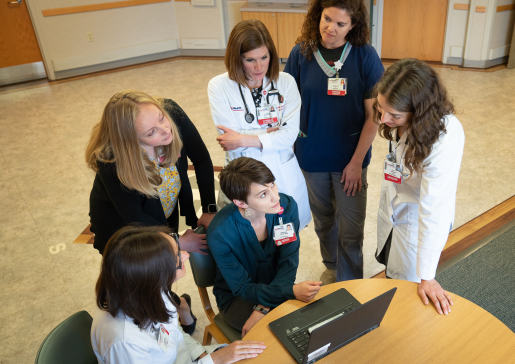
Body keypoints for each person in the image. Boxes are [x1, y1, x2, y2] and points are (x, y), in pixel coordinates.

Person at [284, 0, 384, 283]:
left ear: (353, 26)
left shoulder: (364, 56)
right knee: (324, 221)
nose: (331, 28)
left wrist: (355, 163)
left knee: (351, 227)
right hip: (311, 157)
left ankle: (351, 281)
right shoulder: (300, 54)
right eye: (327, 19)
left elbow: (373, 116)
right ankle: (332, 268)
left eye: (341, 24)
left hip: (349, 159)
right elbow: (287, 108)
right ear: (318, 15)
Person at [91, 225, 266, 364]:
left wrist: (201, 355)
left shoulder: (152, 291)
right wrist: (214, 360)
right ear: (154, 274)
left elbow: (175, 334)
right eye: (177, 256)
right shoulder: (124, 343)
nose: (186, 256)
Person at [374, 58, 465, 315]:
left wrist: (426, 275)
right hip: (396, 213)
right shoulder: (400, 117)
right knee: (394, 280)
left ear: (420, 109)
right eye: (381, 108)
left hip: (417, 224)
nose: (384, 118)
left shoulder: (445, 138)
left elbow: (434, 209)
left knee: (411, 298)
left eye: (395, 115)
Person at [86, 90, 218, 256]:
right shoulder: (112, 160)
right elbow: (135, 217)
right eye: (151, 132)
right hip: (124, 232)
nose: (165, 130)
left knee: (168, 266)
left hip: (161, 215)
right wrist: (177, 241)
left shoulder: (170, 112)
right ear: (131, 140)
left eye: (162, 118)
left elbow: (201, 159)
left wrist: (209, 209)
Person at [208, 19, 311, 230]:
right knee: (249, 238)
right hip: (245, 177)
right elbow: (228, 139)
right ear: (236, 58)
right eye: (250, 59)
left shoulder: (286, 82)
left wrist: (243, 138)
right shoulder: (219, 86)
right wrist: (269, 134)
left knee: (286, 239)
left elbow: (289, 136)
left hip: (283, 175)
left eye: (264, 57)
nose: (259, 67)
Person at [207, 157, 322, 337]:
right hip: (239, 299)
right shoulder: (220, 233)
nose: (275, 197)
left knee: (307, 322)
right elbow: (243, 287)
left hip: (278, 283)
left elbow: (288, 264)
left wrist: (263, 307)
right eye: (263, 194)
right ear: (241, 203)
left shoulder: (286, 207)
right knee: (282, 329)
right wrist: (288, 293)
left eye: (272, 185)